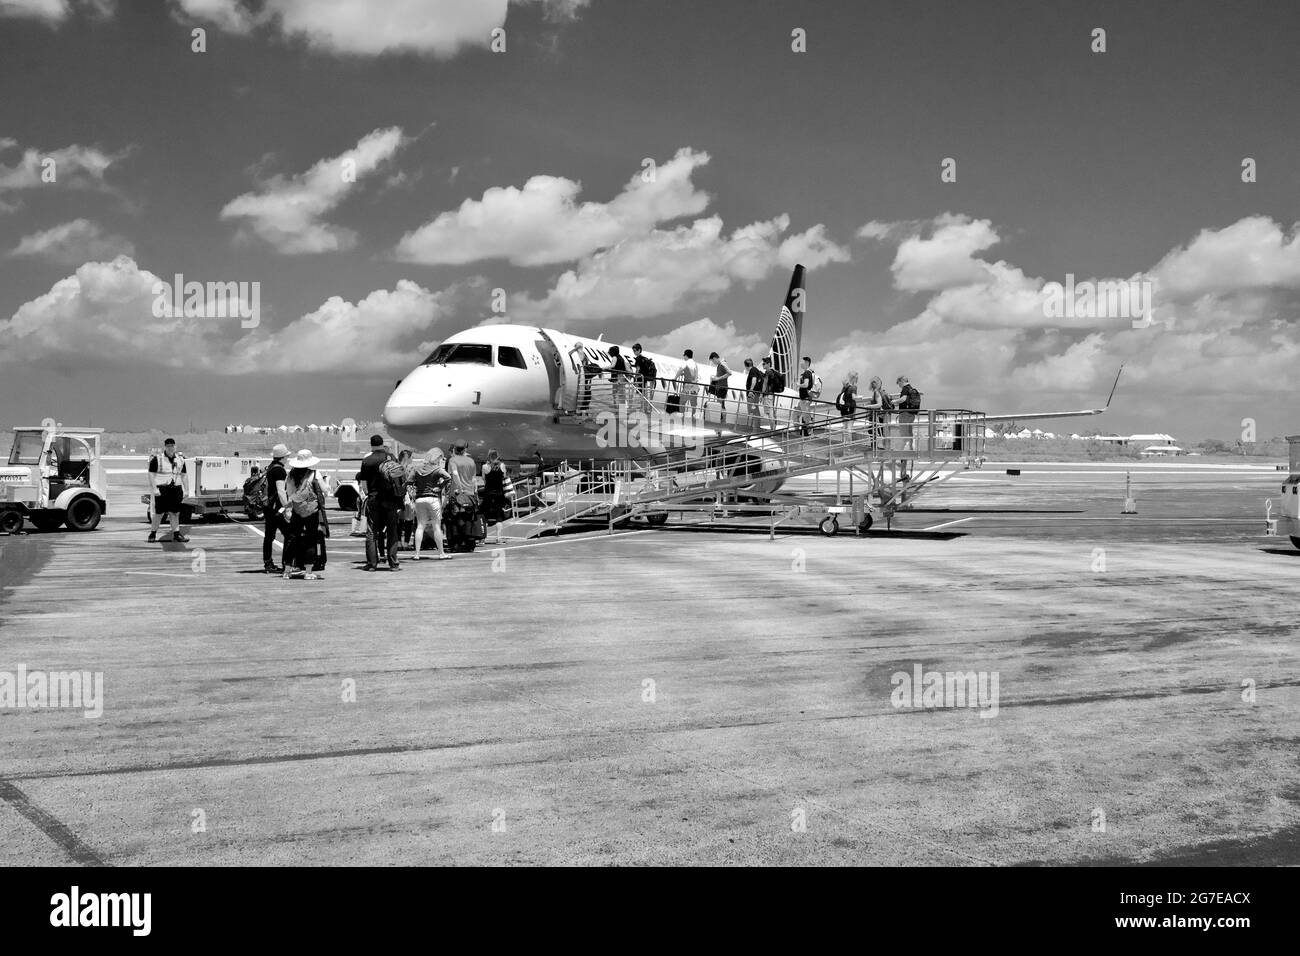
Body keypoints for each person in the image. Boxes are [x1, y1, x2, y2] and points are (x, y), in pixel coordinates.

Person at [281, 449, 328, 580]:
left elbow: (289, 493)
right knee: (310, 539)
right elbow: (325, 490)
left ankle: (287, 570)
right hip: (311, 511)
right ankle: (308, 571)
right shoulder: (314, 473)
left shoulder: (290, 475)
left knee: (292, 539)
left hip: (296, 510)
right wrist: (327, 481)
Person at [358, 434, 400, 572]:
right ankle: (393, 563)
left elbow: (364, 485)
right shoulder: (391, 457)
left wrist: (369, 493)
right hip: (390, 499)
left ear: (371, 445)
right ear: (383, 444)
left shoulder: (367, 460)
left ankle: (372, 564)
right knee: (392, 531)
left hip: (374, 499)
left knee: (372, 532)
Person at [410, 448, 451, 560]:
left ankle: (417, 554)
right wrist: (440, 487)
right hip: (433, 499)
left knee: (420, 526)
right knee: (436, 526)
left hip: (419, 499)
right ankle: (441, 553)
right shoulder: (437, 469)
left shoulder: (417, 468)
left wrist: (414, 490)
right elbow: (448, 477)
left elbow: (409, 481)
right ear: (436, 457)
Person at [148, 438, 189, 543]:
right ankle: (152, 534)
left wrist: (186, 490)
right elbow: (151, 474)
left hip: (176, 489)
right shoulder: (158, 459)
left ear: (175, 446)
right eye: (168, 446)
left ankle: (176, 534)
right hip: (162, 490)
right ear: (165, 447)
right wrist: (154, 489)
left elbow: (184, 475)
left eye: (172, 446)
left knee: (175, 513)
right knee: (159, 514)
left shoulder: (180, 460)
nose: (171, 448)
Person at [261, 444, 292, 574]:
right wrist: (287, 507)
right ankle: (287, 563)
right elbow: (280, 491)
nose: (288, 459)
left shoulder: (270, 467)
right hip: (276, 509)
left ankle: (268, 563)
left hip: (268, 507)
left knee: (269, 536)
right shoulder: (279, 470)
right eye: (287, 457)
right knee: (289, 535)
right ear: (283, 457)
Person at [481, 449, 515, 544]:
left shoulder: (484, 467)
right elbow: (504, 477)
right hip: (499, 494)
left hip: (488, 494)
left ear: (488, 457)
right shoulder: (502, 466)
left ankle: (482, 539)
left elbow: (484, 480)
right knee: (498, 517)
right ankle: (498, 538)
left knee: (485, 516)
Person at [895, 375, 922, 477]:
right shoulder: (912, 389)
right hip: (912, 414)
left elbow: (903, 399)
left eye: (899, 384)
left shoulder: (905, 389)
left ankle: (904, 451)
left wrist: (894, 402)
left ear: (902, 381)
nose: (899, 386)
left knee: (904, 434)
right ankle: (910, 449)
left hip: (905, 414)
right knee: (909, 433)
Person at [397, 448, 416, 551]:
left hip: (399, 495)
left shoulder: (396, 467)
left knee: (399, 520)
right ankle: (406, 543)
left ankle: (399, 542)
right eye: (411, 457)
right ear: (407, 458)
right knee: (409, 521)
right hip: (408, 496)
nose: (413, 459)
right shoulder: (411, 468)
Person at [631, 343, 657, 412]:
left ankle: (642, 408)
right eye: (633, 351)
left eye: (635, 350)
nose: (634, 352)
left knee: (641, 394)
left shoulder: (639, 359)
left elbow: (638, 369)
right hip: (645, 378)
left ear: (639, 350)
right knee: (644, 394)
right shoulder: (644, 358)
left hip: (640, 378)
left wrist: (635, 377)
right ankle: (644, 408)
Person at [707, 352, 731, 424]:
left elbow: (729, 373)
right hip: (720, 387)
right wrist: (715, 377)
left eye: (712, 361)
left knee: (720, 405)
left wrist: (717, 378)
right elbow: (722, 374)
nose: (713, 363)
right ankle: (722, 421)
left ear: (714, 358)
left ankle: (723, 422)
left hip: (722, 388)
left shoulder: (722, 364)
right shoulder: (719, 365)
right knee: (721, 405)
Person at [677, 349, 700, 421]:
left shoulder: (686, 362)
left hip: (687, 386)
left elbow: (680, 370)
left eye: (684, 355)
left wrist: (675, 378)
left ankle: (682, 418)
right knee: (693, 405)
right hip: (695, 386)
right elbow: (695, 375)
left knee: (682, 402)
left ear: (686, 356)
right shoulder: (695, 364)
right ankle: (693, 419)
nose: (683, 357)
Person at [759, 356, 780, 428]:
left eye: (764, 364)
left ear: (768, 364)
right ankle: (773, 428)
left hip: (767, 395)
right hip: (771, 395)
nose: (763, 365)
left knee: (769, 413)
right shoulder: (772, 372)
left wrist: (761, 395)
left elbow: (765, 384)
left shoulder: (768, 372)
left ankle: (772, 430)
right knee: (770, 412)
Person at [797, 356, 815, 436]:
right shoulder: (807, 373)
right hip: (805, 398)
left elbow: (806, 384)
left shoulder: (807, 373)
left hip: (805, 398)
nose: (801, 363)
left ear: (807, 363)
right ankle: (805, 432)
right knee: (805, 415)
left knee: (806, 416)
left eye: (802, 362)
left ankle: (807, 433)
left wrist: (798, 385)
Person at [743, 358, 762, 427]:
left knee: (752, 409)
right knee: (755, 409)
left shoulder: (752, 370)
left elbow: (754, 379)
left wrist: (751, 390)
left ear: (746, 365)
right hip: (756, 393)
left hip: (752, 394)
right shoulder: (755, 370)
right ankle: (756, 425)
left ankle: (754, 426)